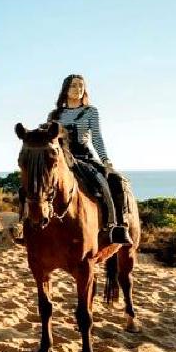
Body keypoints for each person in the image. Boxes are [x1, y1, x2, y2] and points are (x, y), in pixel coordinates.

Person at [46, 74, 133, 246]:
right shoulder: (54, 114)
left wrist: (106, 161)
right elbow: (50, 139)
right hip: (62, 158)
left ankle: (117, 227)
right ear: (65, 90)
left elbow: (97, 138)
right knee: (35, 182)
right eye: (73, 86)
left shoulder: (90, 111)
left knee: (114, 181)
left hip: (84, 157)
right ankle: (25, 224)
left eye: (81, 86)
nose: (78, 89)